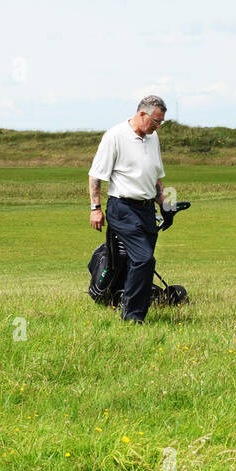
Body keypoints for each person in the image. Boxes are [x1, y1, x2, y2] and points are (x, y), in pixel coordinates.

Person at [88, 96, 169, 324]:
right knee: (145, 260)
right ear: (142, 114)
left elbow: (156, 177)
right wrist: (95, 208)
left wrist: (165, 205)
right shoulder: (115, 136)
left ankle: (122, 300)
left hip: (145, 209)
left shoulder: (153, 138)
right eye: (155, 121)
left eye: (161, 122)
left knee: (139, 262)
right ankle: (133, 317)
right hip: (123, 208)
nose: (157, 126)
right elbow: (96, 176)